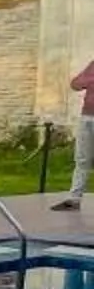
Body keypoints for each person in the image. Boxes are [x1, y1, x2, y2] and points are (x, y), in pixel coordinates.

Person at [52, 60, 94, 211]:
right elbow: (75, 84)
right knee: (82, 158)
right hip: (87, 116)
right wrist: (89, 79)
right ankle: (74, 199)